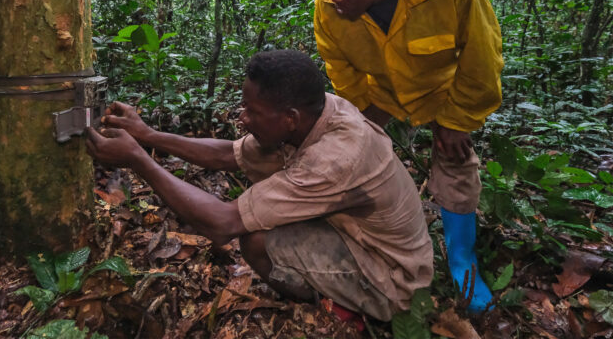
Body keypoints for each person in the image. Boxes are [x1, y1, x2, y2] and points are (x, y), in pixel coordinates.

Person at [85, 50, 432, 322]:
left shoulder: (335, 157)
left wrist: (138, 160)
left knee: (257, 242)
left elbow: (222, 225)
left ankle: (348, 309)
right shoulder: (317, 113)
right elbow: (228, 155)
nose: (242, 119)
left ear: (290, 118)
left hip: (394, 282)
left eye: (252, 111)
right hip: (361, 240)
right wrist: (146, 136)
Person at [308, 0, 504, 312]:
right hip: (380, 93)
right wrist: (364, 126)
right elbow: (340, 70)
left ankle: (463, 263)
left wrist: (456, 121)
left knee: (456, 163)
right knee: (353, 151)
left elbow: (482, 56)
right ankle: (374, 239)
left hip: (440, 89)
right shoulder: (329, 8)